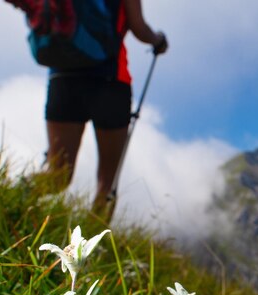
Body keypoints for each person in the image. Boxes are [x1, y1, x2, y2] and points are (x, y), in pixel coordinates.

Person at [41, 0, 168, 220]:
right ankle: (92, 246)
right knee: (107, 183)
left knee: (57, 175)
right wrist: (158, 40)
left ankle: (7, 204)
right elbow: (139, 28)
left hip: (63, 77)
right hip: (110, 81)